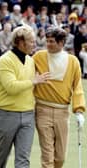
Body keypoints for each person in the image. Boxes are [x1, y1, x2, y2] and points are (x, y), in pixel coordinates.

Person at [0, 25, 51, 168]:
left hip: (28, 115)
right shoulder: (5, 60)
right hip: (6, 116)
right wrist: (33, 81)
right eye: (31, 41)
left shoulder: (30, 61)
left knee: (23, 159)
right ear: (20, 42)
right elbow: (11, 87)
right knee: (1, 158)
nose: (34, 44)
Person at [32, 27, 86, 168]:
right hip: (42, 110)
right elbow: (26, 73)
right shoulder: (38, 57)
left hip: (63, 112)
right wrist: (33, 79)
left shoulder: (73, 61)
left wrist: (79, 110)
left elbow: (77, 87)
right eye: (47, 41)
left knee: (60, 157)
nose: (48, 44)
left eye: (51, 41)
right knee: (47, 156)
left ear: (61, 42)